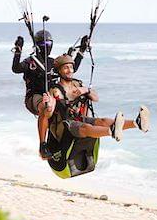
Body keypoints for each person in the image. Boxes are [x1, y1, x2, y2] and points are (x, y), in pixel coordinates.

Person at [12, 31, 88, 159]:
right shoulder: (31, 61)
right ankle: (42, 146)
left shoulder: (53, 62)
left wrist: (81, 51)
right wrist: (18, 51)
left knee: (75, 101)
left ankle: (74, 133)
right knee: (46, 106)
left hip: (51, 95)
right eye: (43, 43)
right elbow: (16, 69)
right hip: (34, 97)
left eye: (48, 43)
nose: (46, 45)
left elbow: (69, 68)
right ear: (37, 45)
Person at [47, 54, 150, 144]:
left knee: (102, 121)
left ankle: (137, 123)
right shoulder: (55, 90)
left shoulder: (77, 84)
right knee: (86, 127)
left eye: (71, 67)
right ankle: (111, 131)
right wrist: (48, 105)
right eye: (66, 68)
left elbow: (96, 98)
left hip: (79, 118)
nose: (69, 70)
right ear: (59, 71)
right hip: (64, 126)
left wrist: (86, 90)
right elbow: (48, 113)